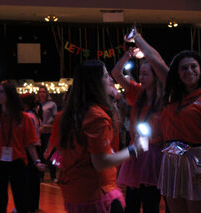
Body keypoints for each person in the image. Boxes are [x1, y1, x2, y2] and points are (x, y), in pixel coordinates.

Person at [132, 31, 201, 212]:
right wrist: (137, 37)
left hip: (197, 159)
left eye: (193, 66)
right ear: (177, 73)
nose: (189, 71)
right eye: (184, 68)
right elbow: (155, 60)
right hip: (172, 160)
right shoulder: (173, 92)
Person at [57, 59, 142, 213]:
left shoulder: (75, 112)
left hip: (76, 191)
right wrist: (134, 149)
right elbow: (101, 162)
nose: (110, 80)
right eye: (105, 76)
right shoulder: (96, 117)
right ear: (94, 83)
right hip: (95, 193)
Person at [0, 81, 45, 213]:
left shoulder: (23, 118)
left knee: (21, 199)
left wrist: (37, 161)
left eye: (2, 92)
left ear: (10, 95)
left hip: (17, 161)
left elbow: (30, 144)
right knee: (0, 200)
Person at [112, 50, 165, 213]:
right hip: (136, 152)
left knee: (151, 201)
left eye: (145, 74)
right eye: (140, 74)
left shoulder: (164, 98)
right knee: (132, 201)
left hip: (155, 153)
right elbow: (116, 73)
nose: (141, 78)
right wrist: (127, 55)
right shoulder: (136, 92)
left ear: (156, 76)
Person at [20, 93, 42, 212]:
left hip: (30, 147)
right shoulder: (35, 115)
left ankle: (28, 204)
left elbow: (28, 135)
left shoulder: (28, 116)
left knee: (28, 177)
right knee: (34, 178)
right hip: (36, 146)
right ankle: (33, 204)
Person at [36, 86, 58, 182]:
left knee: (50, 154)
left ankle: (53, 176)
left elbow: (55, 118)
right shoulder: (36, 105)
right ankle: (40, 176)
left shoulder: (52, 104)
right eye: (40, 92)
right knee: (40, 154)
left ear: (47, 93)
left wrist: (47, 125)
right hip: (38, 132)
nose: (42, 94)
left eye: (44, 92)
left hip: (48, 132)